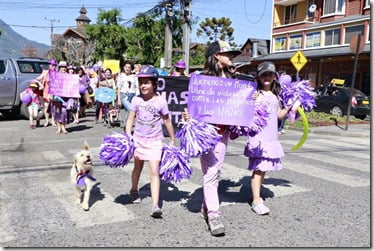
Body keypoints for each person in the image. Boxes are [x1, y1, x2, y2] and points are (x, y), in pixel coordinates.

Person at [182, 40, 241, 236]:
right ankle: (214, 215)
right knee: (211, 173)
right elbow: (191, 106)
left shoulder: (233, 79)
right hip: (205, 134)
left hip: (223, 133)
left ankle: (206, 207)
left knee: (216, 172)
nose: (232, 57)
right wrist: (188, 116)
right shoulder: (201, 79)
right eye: (228, 54)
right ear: (217, 55)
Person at [125, 65, 175, 218]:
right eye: (141, 82)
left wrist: (172, 139)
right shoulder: (136, 100)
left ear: (154, 84)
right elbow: (130, 119)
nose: (143, 85)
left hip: (155, 141)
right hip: (139, 140)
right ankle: (134, 189)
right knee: (137, 168)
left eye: (147, 82)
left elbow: (167, 121)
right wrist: (128, 135)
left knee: (154, 171)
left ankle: (155, 205)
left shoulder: (161, 101)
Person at [245, 61, 290, 215]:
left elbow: (279, 116)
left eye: (270, 74)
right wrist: (251, 100)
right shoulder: (255, 93)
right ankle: (256, 200)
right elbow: (246, 110)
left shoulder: (276, 96)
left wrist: (290, 108)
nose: (267, 77)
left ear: (275, 77)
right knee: (258, 169)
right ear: (258, 77)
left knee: (263, 169)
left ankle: (256, 196)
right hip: (258, 137)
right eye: (264, 74)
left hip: (271, 137)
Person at [36, 59, 57, 127]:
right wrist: (40, 84)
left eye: (54, 65)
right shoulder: (45, 72)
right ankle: (47, 120)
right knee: (46, 107)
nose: (53, 66)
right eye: (52, 65)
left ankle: (53, 120)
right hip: (46, 92)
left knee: (53, 107)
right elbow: (37, 79)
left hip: (54, 92)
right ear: (49, 65)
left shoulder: (57, 73)